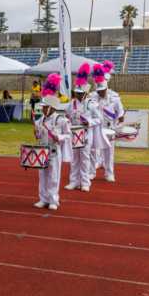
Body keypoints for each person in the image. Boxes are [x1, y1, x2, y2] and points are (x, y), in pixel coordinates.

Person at [34, 74, 71, 211]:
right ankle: (43, 199)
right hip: (43, 150)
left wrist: (58, 137)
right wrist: (36, 132)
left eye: (45, 107)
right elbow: (39, 136)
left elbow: (68, 135)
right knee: (42, 176)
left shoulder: (61, 120)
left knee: (54, 176)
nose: (42, 109)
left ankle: (53, 200)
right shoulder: (40, 119)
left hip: (55, 151)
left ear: (51, 107)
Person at [88, 62, 124, 183]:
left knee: (109, 153)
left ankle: (109, 173)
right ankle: (91, 172)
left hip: (109, 128)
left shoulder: (115, 98)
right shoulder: (92, 97)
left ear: (106, 88)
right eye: (98, 90)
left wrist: (118, 124)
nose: (100, 93)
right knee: (93, 150)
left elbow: (121, 114)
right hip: (96, 128)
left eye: (102, 90)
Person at [65, 63, 98, 192]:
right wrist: (67, 122)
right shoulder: (71, 103)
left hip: (85, 133)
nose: (77, 95)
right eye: (76, 93)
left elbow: (99, 119)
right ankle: (73, 181)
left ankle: (85, 182)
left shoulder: (91, 104)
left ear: (85, 93)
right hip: (73, 133)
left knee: (85, 158)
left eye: (80, 93)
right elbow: (67, 116)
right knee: (74, 159)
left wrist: (89, 122)